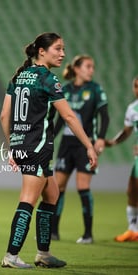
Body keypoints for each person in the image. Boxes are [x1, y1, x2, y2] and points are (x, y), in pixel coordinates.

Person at [0, 32, 98, 269]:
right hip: (38, 147)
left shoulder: (19, 76)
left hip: (24, 144)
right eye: (58, 49)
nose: (63, 54)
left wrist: (13, 146)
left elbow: (4, 115)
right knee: (28, 200)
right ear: (42, 51)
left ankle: (43, 253)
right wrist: (89, 145)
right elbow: (68, 115)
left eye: (63, 49)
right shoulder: (48, 79)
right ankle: (11, 256)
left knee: (52, 195)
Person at [51, 55, 109, 244]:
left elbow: (104, 116)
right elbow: (61, 120)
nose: (91, 70)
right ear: (76, 69)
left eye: (92, 67)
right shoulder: (65, 90)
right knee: (58, 188)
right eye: (88, 66)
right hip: (66, 145)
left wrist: (100, 138)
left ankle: (88, 234)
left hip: (85, 145)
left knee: (83, 187)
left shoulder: (95, 89)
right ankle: (53, 232)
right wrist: (49, 139)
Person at [105, 76, 138, 242]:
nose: (137, 89)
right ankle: (133, 230)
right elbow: (127, 131)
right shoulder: (133, 108)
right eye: (136, 86)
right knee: (132, 191)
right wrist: (112, 142)